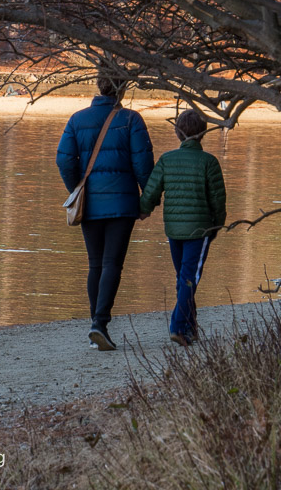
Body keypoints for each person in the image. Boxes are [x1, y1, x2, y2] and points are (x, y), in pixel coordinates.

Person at [56, 70, 154, 351]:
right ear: (122, 90)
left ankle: (95, 325)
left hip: (91, 202)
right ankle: (100, 323)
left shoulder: (77, 119)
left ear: (99, 87)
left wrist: (77, 188)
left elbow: (63, 160)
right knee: (112, 264)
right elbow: (143, 165)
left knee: (95, 264)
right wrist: (146, 200)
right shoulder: (131, 119)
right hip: (123, 204)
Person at [139, 109, 226, 347]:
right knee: (189, 278)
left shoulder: (167, 160)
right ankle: (178, 326)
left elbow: (151, 191)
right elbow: (218, 200)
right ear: (203, 133)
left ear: (178, 132)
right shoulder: (209, 162)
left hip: (174, 230)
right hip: (199, 230)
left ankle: (190, 327)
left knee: (184, 278)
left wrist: (143, 210)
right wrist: (217, 225)